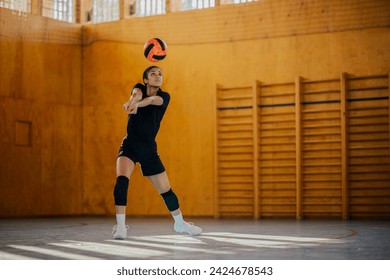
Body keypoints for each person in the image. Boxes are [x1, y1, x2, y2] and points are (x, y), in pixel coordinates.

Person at [112, 66, 202, 239]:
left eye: (160, 73)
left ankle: (180, 223)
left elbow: (151, 100)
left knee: (166, 190)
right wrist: (132, 101)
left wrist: (138, 104)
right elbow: (137, 94)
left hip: (149, 149)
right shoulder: (138, 87)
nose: (158, 76)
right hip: (130, 144)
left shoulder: (164, 96)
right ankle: (121, 227)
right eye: (153, 73)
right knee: (122, 181)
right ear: (146, 79)